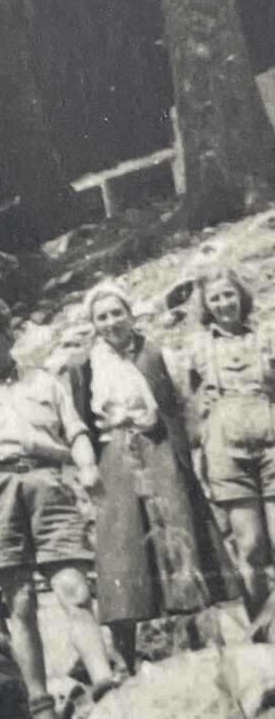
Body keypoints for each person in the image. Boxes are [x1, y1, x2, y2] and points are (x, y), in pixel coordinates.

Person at [0, 296, 115, 719]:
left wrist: (87, 465)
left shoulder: (45, 383)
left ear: (7, 336)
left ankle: (104, 680)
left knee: (74, 588)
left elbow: (77, 431)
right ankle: (40, 702)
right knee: (19, 602)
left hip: (46, 486)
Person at [68, 282, 237, 672]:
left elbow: (179, 404)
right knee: (122, 548)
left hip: (159, 445)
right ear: (93, 323)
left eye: (117, 313)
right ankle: (125, 656)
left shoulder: (154, 352)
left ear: (130, 314)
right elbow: (79, 420)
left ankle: (202, 641)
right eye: (102, 316)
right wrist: (88, 469)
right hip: (113, 452)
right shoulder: (84, 364)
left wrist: (186, 454)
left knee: (180, 532)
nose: (112, 322)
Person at [187, 265, 275, 627]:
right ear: (207, 305)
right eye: (216, 298)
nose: (224, 303)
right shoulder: (197, 349)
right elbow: (191, 406)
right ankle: (264, 631)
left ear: (241, 297)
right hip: (227, 450)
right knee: (250, 545)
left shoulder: (267, 338)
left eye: (229, 295)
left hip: (271, 443)